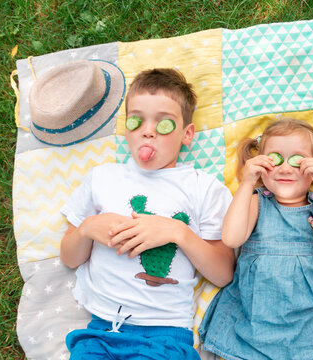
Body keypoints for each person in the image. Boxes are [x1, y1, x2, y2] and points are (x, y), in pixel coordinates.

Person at [60, 68, 234, 359]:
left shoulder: (204, 188)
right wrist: (87, 228)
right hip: (101, 331)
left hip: (164, 335)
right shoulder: (103, 177)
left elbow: (223, 274)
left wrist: (179, 233)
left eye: (164, 124)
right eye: (136, 120)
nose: (147, 130)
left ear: (186, 134)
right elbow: (68, 258)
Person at [199, 118, 313, 359]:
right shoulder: (256, 201)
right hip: (254, 320)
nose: (285, 168)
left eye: (297, 160)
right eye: (275, 159)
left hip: (310, 322)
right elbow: (231, 238)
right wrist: (246, 182)